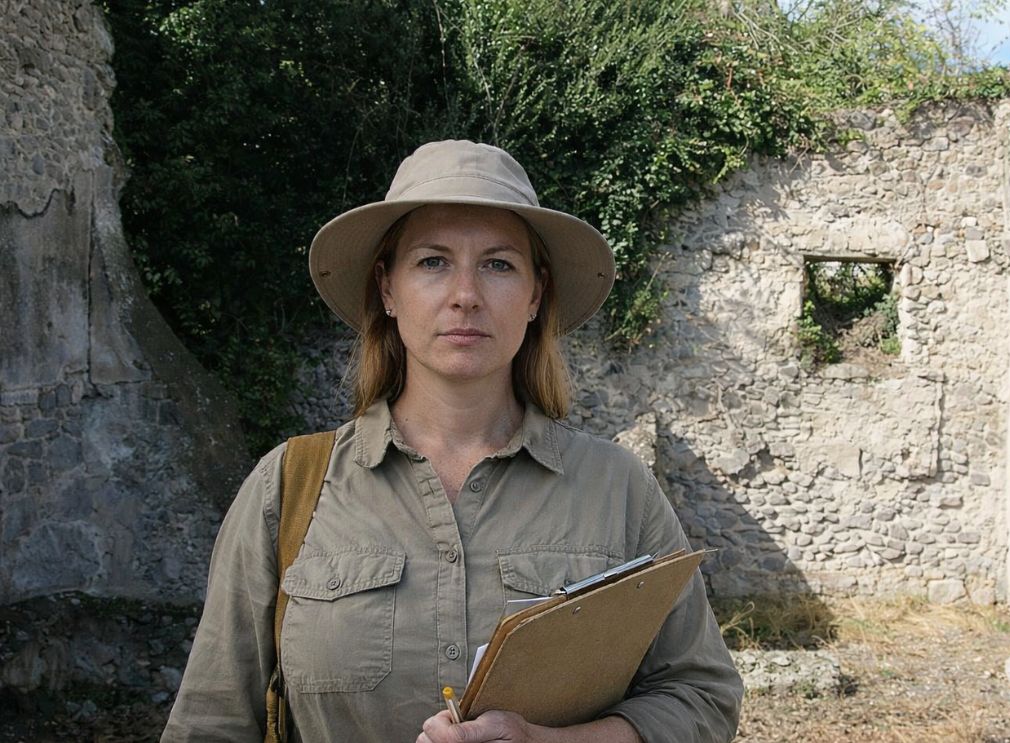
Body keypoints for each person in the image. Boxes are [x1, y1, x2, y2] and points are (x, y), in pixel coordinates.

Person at [162, 140, 743, 743]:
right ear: (387, 289)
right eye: (433, 262)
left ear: (535, 294)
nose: (465, 294)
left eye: (498, 264)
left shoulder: (619, 488)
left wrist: (553, 742)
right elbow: (210, 723)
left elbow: (701, 695)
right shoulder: (285, 490)